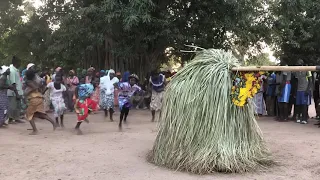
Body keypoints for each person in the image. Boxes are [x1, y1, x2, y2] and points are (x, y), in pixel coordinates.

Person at [24, 63, 56, 135]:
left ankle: (35, 130)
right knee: (40, 114)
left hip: (33, 98)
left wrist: (27, 92)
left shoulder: (29, 82)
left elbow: (33, 88)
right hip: (39, 98)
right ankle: (53, 123)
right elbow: (40, 88)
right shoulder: (37, 80)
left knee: (29, 115)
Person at [293, 59, 312, 124]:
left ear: (302, 63)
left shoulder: (307, 69)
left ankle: (305, 119)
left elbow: (310, 80)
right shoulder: (297, 71)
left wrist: (307, 89)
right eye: (297, 63)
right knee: (298, 104)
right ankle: (299, 118)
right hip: (299, 90)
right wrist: (295, 90)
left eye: (299, 63)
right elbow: (296, 81)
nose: (298, 64)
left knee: (304, 105)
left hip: (305, 89)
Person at [7, 56, 24, 124]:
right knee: (12, 106)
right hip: (13, 92)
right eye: (19, 62)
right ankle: (10, 119)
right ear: (16, 62)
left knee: (18, 106)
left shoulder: (16, 70)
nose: (20, 63)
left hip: (18, 91)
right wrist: (16, 93)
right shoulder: (12, 70)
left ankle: (17, 118)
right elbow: (13, 83)